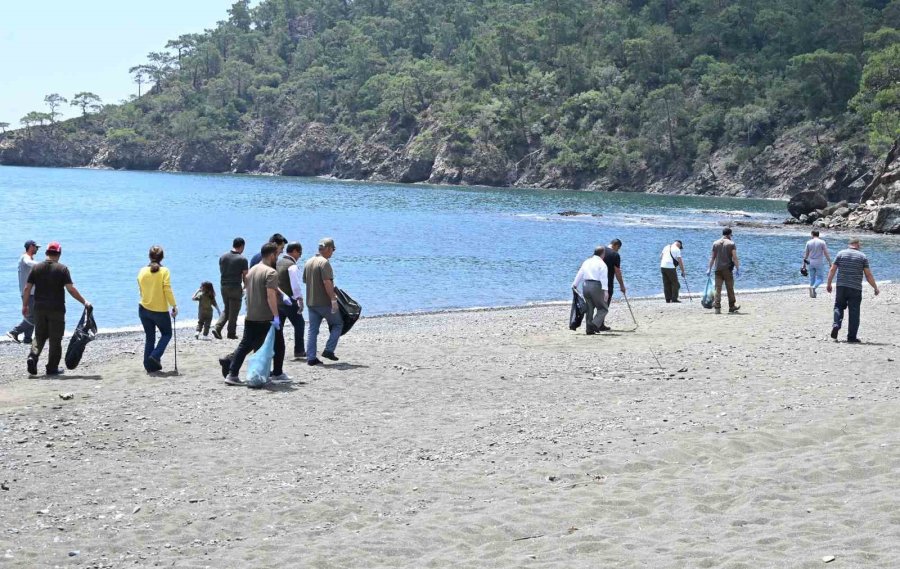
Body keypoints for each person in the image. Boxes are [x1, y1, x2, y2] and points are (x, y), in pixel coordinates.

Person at [219, 242, 288, 386]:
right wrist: (275, 316)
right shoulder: (271, 272)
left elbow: (248, 292)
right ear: (271, 255)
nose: (277, 257)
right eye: (276, 254)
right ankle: (270, 373)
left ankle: (233, 374)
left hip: (251, 314)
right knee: (272, 346)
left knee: (245, 346)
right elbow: (270, 296)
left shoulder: (252, 270)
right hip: (264, 316)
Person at [21, 242, 91, 376]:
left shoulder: (36, 268)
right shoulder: (62, 269)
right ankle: (52, 368)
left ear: (46, 253)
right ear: (59, 254)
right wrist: (84, 302)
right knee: (55, 338)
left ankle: (33, 357)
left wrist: (25, 305)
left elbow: (27, 288)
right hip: (56, 309)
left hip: (39, 308)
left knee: (40, 335)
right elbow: (70, 289)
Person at [826, 238, 879, 343]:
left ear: (849, 245)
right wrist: (875, 287)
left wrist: (829, 284)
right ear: (857, 245)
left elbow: (832, 269)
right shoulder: (862, 256)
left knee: (838, 306)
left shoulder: (840, 254)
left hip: (841, 286)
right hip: (855, 288)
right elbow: (868, 275)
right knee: (854, 312)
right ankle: (851, 337)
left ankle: (836, 324)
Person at [137, 246, 178, 373]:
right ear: (162, 257)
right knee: (167, 334)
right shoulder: (164, 271)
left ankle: (149, 365)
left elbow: (141, 289)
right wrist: (174, 305)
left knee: (150, 337)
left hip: (143, 308)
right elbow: (167, 289)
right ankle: (154, 356)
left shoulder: (142, 271)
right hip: (159, 310)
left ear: (149, 256)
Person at [304, 238, 343, 365]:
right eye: (333, 249)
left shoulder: (308, 261)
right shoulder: (324, 263)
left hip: (311, 302)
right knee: (338, 324)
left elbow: (305, 280)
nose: (333, 252)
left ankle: (310, 357)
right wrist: (333, 299)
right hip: (324, 302)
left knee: (312, 330)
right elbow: (327, 282)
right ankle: (329, 350)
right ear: (327, 248)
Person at [213, 237, 249, 340]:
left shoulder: (223, 257)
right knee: (234, 311)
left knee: (227, 309)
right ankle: (231, 333)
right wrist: (245, 287)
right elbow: (245, 276)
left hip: (223, 286)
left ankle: (217, 328)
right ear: (242, 246)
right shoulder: (242, 259)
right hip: (235, 287)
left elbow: (222, 271)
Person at [276, 241, 306, 359]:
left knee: (279, 327)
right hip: (289, 301)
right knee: (300, 324)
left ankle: (278, 349)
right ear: (294, 251)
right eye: (300, 252)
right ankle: (299, 350)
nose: (300, 255)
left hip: (278, 301)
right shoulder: (292, 265)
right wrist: (300, 299)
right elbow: (295, 285)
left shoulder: (278, 262)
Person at [7, 240, 40, 344]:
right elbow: (28, 262)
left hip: (30, 292)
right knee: (33, 317)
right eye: (36, 247)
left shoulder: (29, 258)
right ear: (31, 247)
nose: (37, 249)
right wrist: (43, 265)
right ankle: (14, 332)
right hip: (29, 293)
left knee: (30, 315)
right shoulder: (25, 257)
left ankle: (27, 339)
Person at [572, 246, 610, 335]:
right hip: (596, 286)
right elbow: (604, 278)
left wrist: (574, 284)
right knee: (603, 308)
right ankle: (594, 324)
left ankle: (589, 329)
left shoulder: (587, 261)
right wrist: (606, 291)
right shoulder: (602, 264)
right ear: (603, 254)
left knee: (590, 308)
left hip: (585, 285)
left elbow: (580, 273)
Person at [707, 227, 741, 314]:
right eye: (731, 235)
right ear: (729, 234)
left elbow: (712, 257)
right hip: (727, 269)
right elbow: (735, 257)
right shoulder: (731, 243)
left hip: (717, 269)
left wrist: (709, 269)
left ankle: (717, 308)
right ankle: (732, 306)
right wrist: (737, 268)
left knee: (717, 289)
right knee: (730, 288)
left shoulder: (715, 243)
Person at [802, 229, 832, 298]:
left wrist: (803, 265)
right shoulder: (822, 242)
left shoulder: (808, 242)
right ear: (818, 235)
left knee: (812, 278)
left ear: (812, 234)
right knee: (820, 278)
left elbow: (806, 255)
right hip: (819, 262)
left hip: (811, 262)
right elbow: (826, 253)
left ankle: (812, 294)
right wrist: (830, 262)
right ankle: (814, 288)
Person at [604, 238, 626, 303]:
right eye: (618, 248)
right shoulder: (615, 255)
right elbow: (617, 272)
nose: (618, 250)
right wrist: (622, 286)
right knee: (604, 308)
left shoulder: (600, 250)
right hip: (607, 284)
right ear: (616, 245)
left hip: (595, 282)